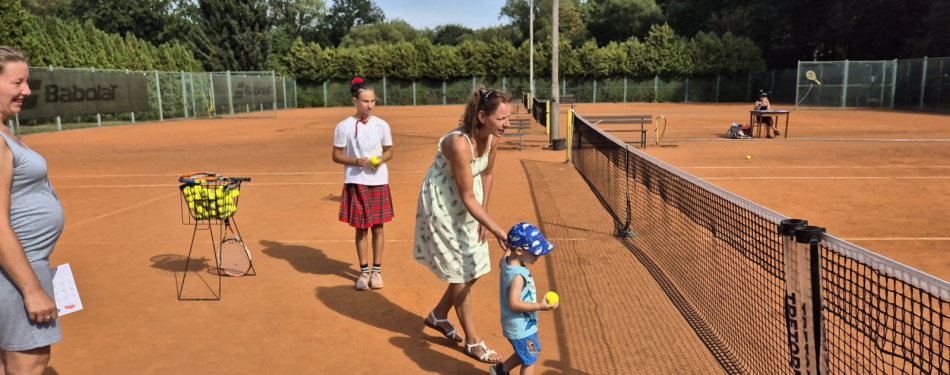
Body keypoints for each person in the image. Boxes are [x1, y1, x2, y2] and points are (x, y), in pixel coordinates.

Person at [414, 88, 511, 364]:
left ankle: (438, 315)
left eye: (508, 118)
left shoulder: (493, 139)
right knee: (459, 269)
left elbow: (488, 174)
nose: (507, 124)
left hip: (470, 201)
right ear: (482, 116)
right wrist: (495, 228)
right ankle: (472, 341)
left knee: (476, 263)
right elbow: (466, 195)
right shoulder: (459, 144)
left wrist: (486, 216)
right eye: (501, 118)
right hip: (443, 204)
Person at [0, 46, 65, 375]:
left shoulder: (5, 130)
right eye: (17, 83)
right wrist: (32, 290)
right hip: (15, 274)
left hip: (19, 269)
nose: (26, 90)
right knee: (30, 363)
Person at [332, 78, 394, 291]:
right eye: (365, 101)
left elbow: (389, 151)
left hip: (378, 181)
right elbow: (336, 155)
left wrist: (381, 160)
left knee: (378, 227)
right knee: (361, 229)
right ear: (355, 101)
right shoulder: (344, 127)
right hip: (356, 182)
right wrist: (354, 161)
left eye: (373, 101)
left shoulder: (382, 125)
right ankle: (363, 272)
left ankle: (377, 272)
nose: (369, 105)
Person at [490, 222, 559, 375]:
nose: (539, 256)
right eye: (535, 252)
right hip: (520, 326)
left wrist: (509, 246)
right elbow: (513, 303)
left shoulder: (507, 262)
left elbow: (505, 258)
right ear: (520, 250)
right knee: (530, 360)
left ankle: (501, 370)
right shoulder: (518, 277)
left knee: (528, 353)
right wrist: (540, 306)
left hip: (520, 324)